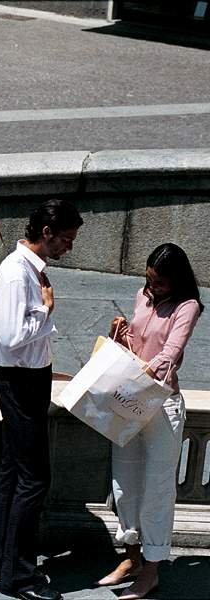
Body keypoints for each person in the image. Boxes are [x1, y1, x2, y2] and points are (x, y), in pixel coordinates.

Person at [0, 199, 83, 600]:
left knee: (12, 473)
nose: (69, 248)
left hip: (28, 381)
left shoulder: (27, 271)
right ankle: (19, 576)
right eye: (67, 240)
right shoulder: (16, 275)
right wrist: (45, 311)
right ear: (46, 234)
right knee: (33, 480)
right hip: (20, 385)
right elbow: (9, 338)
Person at [97, 243, 203, 600]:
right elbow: (138, 343)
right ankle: (130, 558)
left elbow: (170, 351)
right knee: (123, 481)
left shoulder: (188, 306)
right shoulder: (141, 295)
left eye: (159, 283)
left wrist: (145, 371)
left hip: (161, 404)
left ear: (176, 281)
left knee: (157, 491)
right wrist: (121, 336)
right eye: (148, 280)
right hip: (130, 398)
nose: (151, 288)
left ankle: (152, 570)